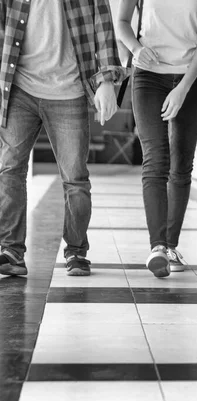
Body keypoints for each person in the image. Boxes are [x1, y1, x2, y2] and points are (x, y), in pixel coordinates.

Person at [0, 0, 126, 277]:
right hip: (20, 88)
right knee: (10, 169)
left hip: (69, 92)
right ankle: (11, 251)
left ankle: (77, 251)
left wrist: (106, 81)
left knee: (75, 178)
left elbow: (102, 29)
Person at [116, 0, 197, 278]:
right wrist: (137, 49)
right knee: (156, 158)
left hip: (192, 79)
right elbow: (122, 23)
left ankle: (171, 246)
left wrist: (183, 87)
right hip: (148, 77)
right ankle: (158, 247)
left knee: (182, 163)